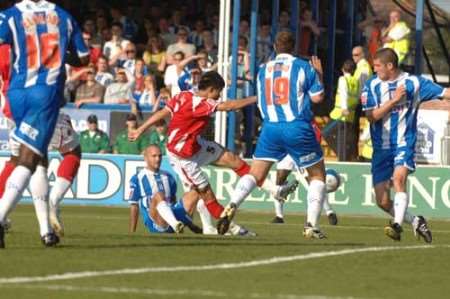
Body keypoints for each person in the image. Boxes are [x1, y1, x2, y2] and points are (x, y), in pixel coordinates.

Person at [129, 71, 297, 235]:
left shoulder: (184, 95)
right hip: (183, 157)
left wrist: (140, 129)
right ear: (210, 90)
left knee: (233, 160)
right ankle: (233, 228)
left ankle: (274, 190)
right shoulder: (201, 103)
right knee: (205, 194)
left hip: (196, 145)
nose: (219, 95)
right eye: (219, 91)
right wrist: (260, 98)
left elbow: (163, 112)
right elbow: (230, 106)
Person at [217, 32, 328, 239]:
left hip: (270, 128)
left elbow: (261, 98)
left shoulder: (263, 69)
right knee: (317, 175)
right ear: (293, 47)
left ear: (275, 47)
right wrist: (319, 75)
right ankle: (311, 224)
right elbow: (317, 98)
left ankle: (232, 204)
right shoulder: (304, 67)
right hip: (297, 127)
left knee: (255, 174)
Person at [0, 0, 89, 248]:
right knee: (33, 160)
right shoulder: (62, 16)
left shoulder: (10, 16)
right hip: (44, 95)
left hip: (13, 99)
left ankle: (46, 231)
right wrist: (62, 55)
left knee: (32, 160)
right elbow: (84, 57)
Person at [362, 48, 450, 242]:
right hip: (381, 149)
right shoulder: (372, 84)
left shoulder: (414, 83)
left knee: (399, 179)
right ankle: (416, 220)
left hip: (404, 142)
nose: (374, 69)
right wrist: (394, 101)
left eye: (377, 66)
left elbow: (445, 93)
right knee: (382, 201)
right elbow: (371, 116)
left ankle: (397, 225)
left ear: (390, 66)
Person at [271, 122, 337, 225]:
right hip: (287, 153)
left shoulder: (306, 120)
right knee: (279, 180)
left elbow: (317, 136)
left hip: (302, 153)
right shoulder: (281, 117)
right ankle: (279, 216)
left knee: (312, 184)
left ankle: (329, 212)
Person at [129, 145, 202, 234]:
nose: (158, 159)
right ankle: (175, 224)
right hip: (156, 222)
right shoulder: (138, 178)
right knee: (159, 195)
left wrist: (192, 226)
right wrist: (132, 233)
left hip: (173, 215)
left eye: (160, 156)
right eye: (154, 156)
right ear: (146, 158)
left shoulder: (168, 176)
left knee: (197, 191)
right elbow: (134, 206)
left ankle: (209, 229)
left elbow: (173, 201)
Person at [327, 60, 359, 161]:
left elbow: (344, 93)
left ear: (342, 69)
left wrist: (344, 108)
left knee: (326, 133)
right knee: (342, 139)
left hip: (339, 114)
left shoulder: (343, 79)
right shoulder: (356, 81)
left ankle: (343, 156)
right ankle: (344, 156)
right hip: (350, 116)